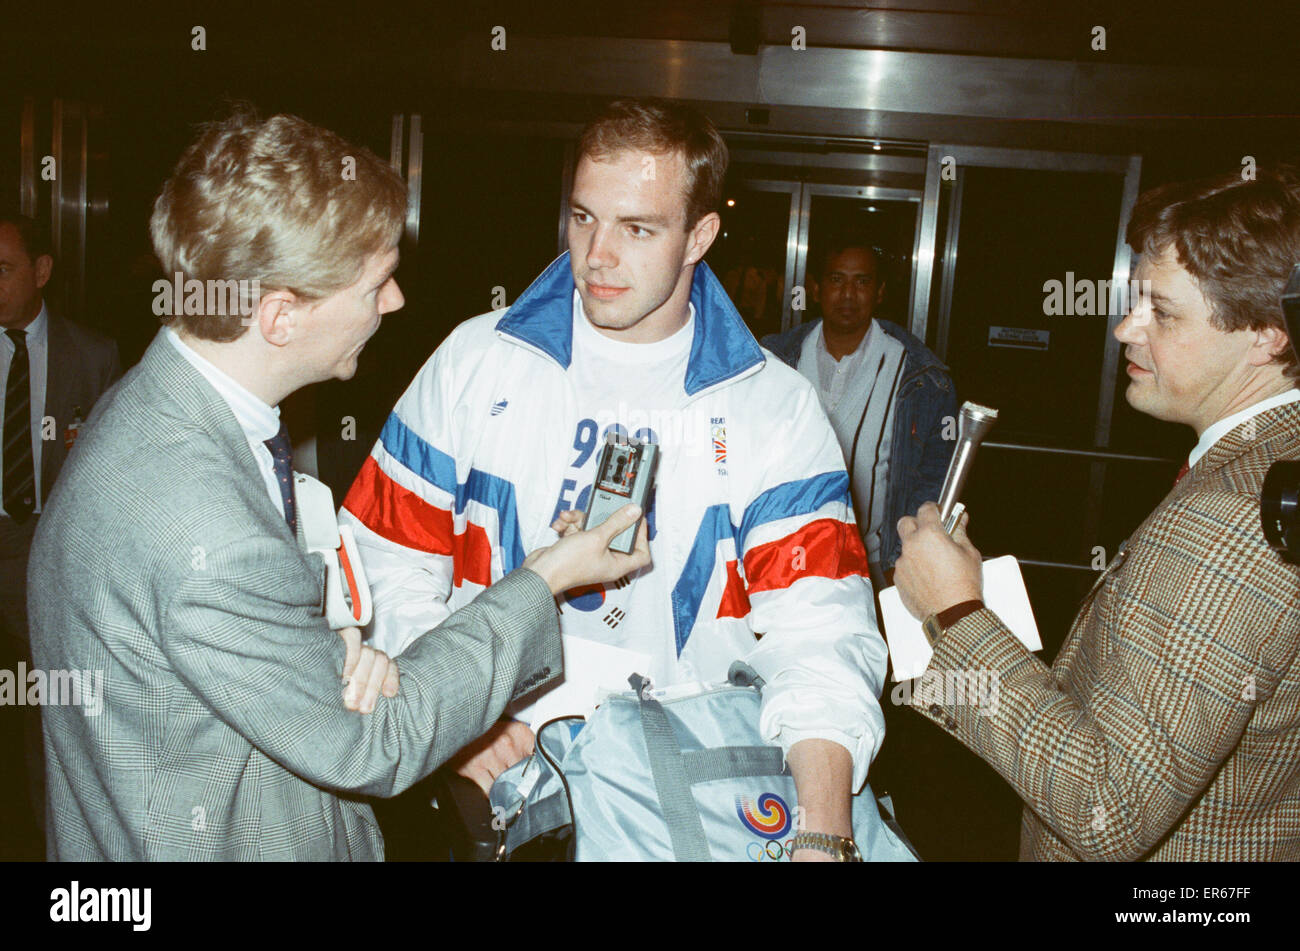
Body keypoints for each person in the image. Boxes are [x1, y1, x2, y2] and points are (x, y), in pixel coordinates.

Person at [28, 109, 649, 861]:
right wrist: (546, 575)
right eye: (376, 284)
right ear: (281, 316)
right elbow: (371, 743)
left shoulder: (156, 402)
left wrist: (325, 654)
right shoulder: (206, 525)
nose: (394, 304)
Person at [341, 97, 888, 861]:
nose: (597, 254)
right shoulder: (477, 362)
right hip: (496, 793)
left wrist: (824, 832)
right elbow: (384, 564)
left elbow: (821, 635)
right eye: (583, 217)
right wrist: (452, 716)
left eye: (638, 228)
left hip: (681, 797)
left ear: (700, 235)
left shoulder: (771, 407)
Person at [893, 166, 1300, 860]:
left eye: (1162, 311)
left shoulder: (1231, 516)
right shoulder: (1263, 460)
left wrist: (955, 612)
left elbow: (1104, 809)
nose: (1123, 329)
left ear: (1267, 332)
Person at [0, 212, 120, 855]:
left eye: (3, 269)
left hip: (43, 549)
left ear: (42, 271)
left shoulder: (94, 355)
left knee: (43, 709)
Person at [763, 239, 955, 589]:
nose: (848, 294)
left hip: (875, 567)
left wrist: (907, 553)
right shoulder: (776, 361)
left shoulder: (918, 376)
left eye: (862, 282)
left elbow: (934, 475)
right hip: (783, 559)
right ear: (817, 288)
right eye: (837, 280)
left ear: (880, 292)